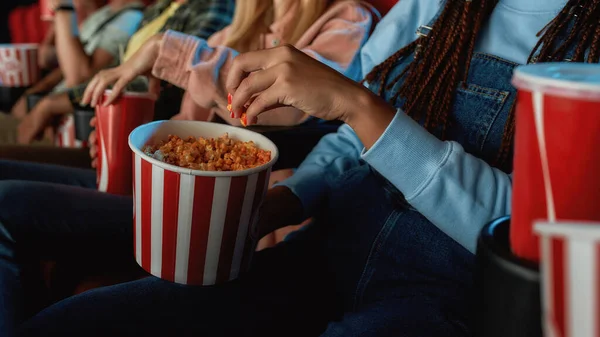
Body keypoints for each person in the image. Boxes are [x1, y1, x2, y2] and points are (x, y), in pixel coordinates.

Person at [1, 0, 598, 336]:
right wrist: (281, 206)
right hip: (317, 257)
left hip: (437, 303)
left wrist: (362, 107)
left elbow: (535, 237)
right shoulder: (438, 6)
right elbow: (348, 144)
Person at [82, 0, 378, 127]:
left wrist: (164, 48)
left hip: (268, 212)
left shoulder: (349, 18)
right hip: (191, 189)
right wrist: (142, 143)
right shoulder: (239, 29)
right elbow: (189, 122)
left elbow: (292, 104)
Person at [7, 0, 234, 146]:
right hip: (99, 123)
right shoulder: (158, 9)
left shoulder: (213, 5)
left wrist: (51, 104)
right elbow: (116, 70)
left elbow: (177, 78)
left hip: (141, 133)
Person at [1, 0, 144, 145]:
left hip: (66, 130)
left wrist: (64, 8)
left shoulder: (131, 18)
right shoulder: (104, 13)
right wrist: (33, 94)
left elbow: (79, 77)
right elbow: (59, 63)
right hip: (45, 119)